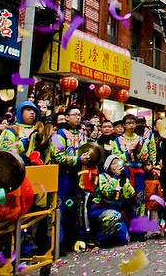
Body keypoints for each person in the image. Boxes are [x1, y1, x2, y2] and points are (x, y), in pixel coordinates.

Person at [50, 105, 91, 253]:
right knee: (59, 207)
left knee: (76, 209)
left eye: (80, 115)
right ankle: (56, 242)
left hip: (78, 176)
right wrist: (79, 159)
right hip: (62, 175)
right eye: (75, 114)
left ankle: (74, 240)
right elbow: (57, 156)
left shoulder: (82, 135)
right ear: (66, 117)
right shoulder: (58, 135)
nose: (78, 117)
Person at [89, 155, 136, 247]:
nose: (116, 166)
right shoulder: (102, 177)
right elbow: (107, 192)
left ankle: (110, 239)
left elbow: (130, 195)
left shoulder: (123, 179)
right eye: (113, 164)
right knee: (115, 216)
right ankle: (100, 239)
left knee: (124, 239)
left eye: (118, 164)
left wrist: (124, 182)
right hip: (99, 209)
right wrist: (115, 177)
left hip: (116, 211)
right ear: (108, 166)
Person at [111, 114, 151, 220]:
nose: (131, 125)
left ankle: (139, 229)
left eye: (133, 123)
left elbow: (145, 158)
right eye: (128, 123)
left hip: (138, 173)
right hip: (125, 173)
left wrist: (138, 151)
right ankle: (126, 227)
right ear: (124, 125)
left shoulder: (141, 140)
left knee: (140, 199)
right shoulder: (118, 141)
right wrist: (128, 153)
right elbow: (116, 160)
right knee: (125, 199)